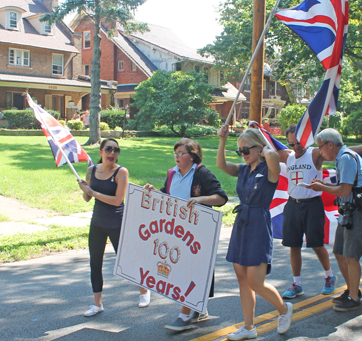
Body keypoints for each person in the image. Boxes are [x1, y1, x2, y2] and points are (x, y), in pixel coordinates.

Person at [276, 124, 362, 300]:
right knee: (304, 247)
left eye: (300, 142)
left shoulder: (325, 154)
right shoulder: (288, 156)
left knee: (328, 248)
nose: (297, 147)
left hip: (324, 206)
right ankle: (300, 284)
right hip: (296, 204)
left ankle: (339, 285)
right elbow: (265, 154)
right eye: (292, 144)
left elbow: (342, 158)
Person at [143, 138, 228, 332]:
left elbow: (221, 197)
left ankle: (184, 316)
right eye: (176, 153)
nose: (177, 156)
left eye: (181, 153)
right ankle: (198, 308)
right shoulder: (172, 174)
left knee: (191, 269)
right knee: (182, 269)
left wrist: (200, 199)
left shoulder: (202, 173)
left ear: (193, 156)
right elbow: (168, 196)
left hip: (197, 232)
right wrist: (155, 192)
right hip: (176, 231)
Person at [217, 125, 293, 340]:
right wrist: (223, 140)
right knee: (242, 278)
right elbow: (221, 164)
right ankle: (249, 328)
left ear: (259, 148)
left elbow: (273, 158)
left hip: (259, 223)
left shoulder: (269, 169)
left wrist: (263, 145)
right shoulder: (243, 169)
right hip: (242, 223)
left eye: (246, 149)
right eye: (239, 150)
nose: (243, 154)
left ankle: (283, 309)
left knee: (255, 282)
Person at [305, 128, 362, 312]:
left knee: (351, 256)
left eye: (320, 147)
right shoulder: (343, 156)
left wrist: (321, 187)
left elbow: (344, 191)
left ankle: (354, 298)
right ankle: (351, 290)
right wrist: (323, 185)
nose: (320, 152)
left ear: (330, 144)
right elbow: (345, 186)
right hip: (349, 211)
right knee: (339, 252)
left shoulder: (345, 158)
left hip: (359, 212)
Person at [78, 138, 150, 317]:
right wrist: (85, 190)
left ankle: (144, 291)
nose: (112, 153)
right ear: (100, 152)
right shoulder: (91, 170)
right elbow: (88, 199)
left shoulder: (121, 172)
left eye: (116, 150)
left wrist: (93, 192)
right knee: (95, 262)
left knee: (128, 260)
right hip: (97, 223)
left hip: (118, 223)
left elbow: (118, 200)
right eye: (108, 149)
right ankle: (97, 304)